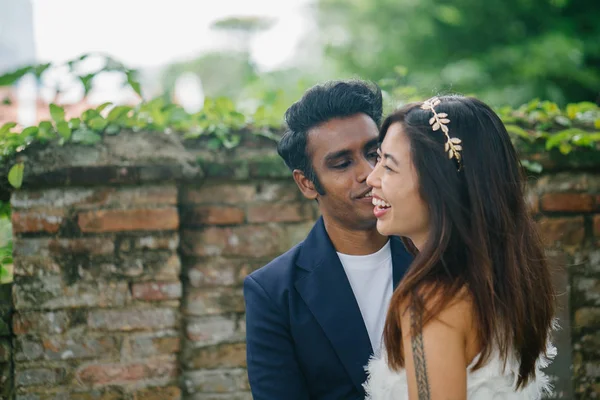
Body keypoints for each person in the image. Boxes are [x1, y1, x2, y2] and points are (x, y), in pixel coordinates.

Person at [363, 95, 556, 399]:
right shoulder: (508, 283)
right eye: (378, 160)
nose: (370, 178)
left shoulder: (430, 304)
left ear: (439, 184)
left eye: (388, 166)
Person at [243, 80, 413, 399]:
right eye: (342, 163)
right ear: (307, 184)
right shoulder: (274, 293)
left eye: (375, 153)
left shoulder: (437, 255)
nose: (369, 173)